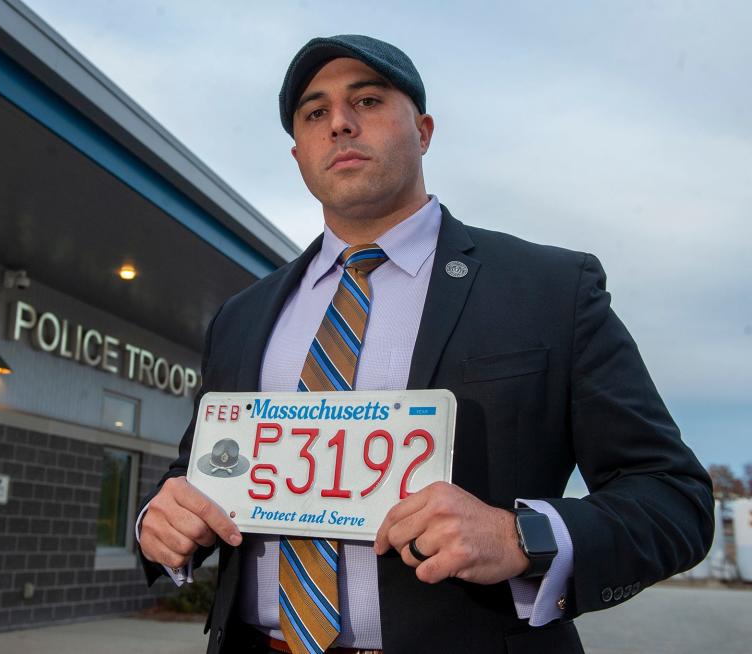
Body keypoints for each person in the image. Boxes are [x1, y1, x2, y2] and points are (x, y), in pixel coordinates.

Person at [137, 35, 713, 654]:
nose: (340, 123)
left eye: (368, 99)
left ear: (425, 130)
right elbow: (201, 468)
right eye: (315, 113)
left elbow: (671, 495)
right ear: (298, 155)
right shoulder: (241, 317)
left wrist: (524, 537)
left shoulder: (551, 291)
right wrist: (157, 521)